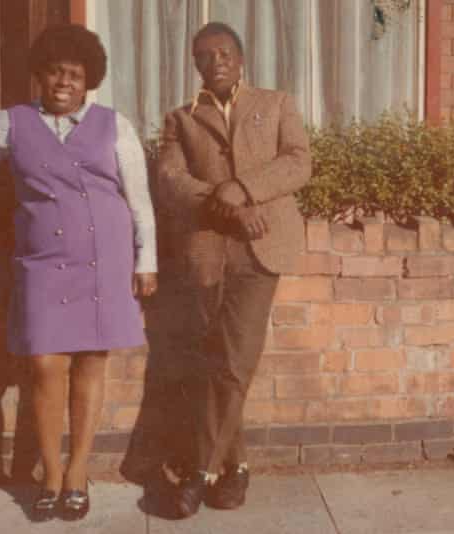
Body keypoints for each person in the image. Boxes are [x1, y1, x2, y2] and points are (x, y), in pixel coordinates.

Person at [0, 24, 157, 522]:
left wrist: (146, 259)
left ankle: (78, 473)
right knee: (44, 365)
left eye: (76, 75)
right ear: (39, 76)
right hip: (43, 264)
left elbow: (139, 198)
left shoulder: (115, 125)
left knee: (89, 363)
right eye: (56, 73)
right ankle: (50, 471)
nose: (65, 83)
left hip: (104, 260)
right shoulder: (10, 123)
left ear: (89, 81)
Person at [156, 22, 311, 518]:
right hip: (205, 249)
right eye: (204, 56)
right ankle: (236, 468)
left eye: (224, 53)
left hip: (261, 249)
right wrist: (224, 203)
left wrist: (242, 188)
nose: (216, 61)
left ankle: (199, 471)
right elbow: (170, 180)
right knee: (212, 360)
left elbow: (298, 163)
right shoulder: (182, 118)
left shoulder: (277, 103)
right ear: (196, 66)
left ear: (242, 60)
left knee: (236, 359)